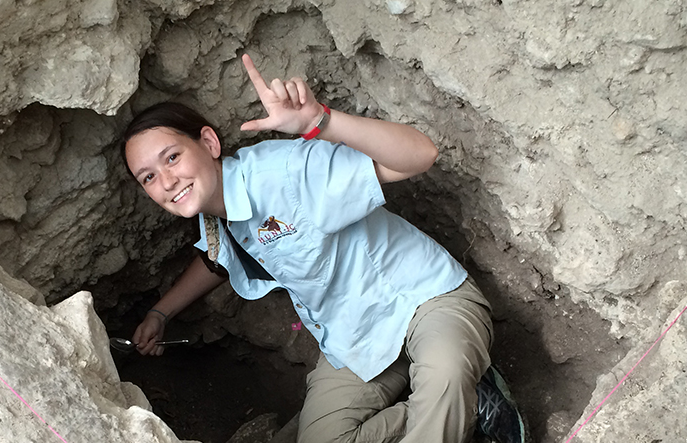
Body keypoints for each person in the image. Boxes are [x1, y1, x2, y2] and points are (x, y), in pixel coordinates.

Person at [121, 54, 525, 443]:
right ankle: (467, 407)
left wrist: (320, 120)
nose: (167, 181)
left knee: (446, 378)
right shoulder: (214, 213)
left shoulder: (286, 174)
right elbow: (217, 261)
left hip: (424, 299)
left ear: (208, 142)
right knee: (321, 437)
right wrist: (160, 313)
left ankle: (454, 398)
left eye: (172, 157)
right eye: (149, 177)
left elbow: (420, 155)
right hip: (355, 333)